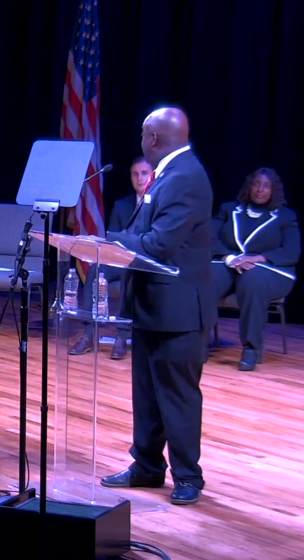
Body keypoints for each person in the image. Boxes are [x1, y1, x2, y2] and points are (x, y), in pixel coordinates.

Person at [100, 107, 215, 506]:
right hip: (153, 305)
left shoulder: (185, 177)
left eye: (143, 135)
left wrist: (107, 243)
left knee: (178, 396)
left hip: (179, 310)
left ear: (152, 138)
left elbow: (158, 245)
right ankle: (147, 466)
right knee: (147, 395)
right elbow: (142, 232)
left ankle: (188, 476)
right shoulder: (169, 173)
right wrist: (119, 240)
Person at [211, 167, 300, 371]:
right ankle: (196, 342)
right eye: (256, 184)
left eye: (266, 186)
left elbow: (291, 252)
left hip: (270, 270)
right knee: (208, 275)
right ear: (249, 187)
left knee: (252, 278)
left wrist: (257, 258)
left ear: (273, 190)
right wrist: (230, 257)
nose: (260, 189)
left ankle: (251, 348)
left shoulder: (285, 217)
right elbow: (209, 238)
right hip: (231, 264)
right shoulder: (228, 210)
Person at [69, 156, 154, 360]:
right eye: (135, 174)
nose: (139, 178)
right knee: (97, 269)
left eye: (144, 173)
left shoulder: (161, 204)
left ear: (153, 175)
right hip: (120, 257)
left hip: (146, 261)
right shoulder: (122, 205)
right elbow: (114, 239)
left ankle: (122, 337)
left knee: (130, 275)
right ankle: (89, 334)